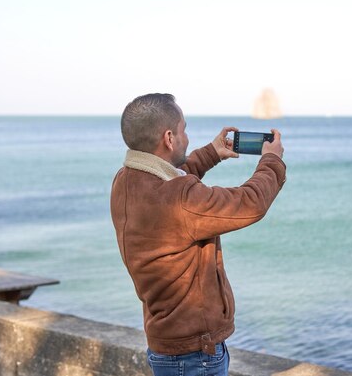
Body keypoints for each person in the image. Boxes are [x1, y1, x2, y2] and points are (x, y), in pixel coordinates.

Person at [110, 93, 286, 376]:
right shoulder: (179, 199)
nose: (187, 138)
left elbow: (170, 179)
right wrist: (272, 161)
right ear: (169, 138)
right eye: (184, 130)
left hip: (167, 345)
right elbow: (250, 203)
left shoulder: (125, 181)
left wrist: (212, 153)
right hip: (194, 355)